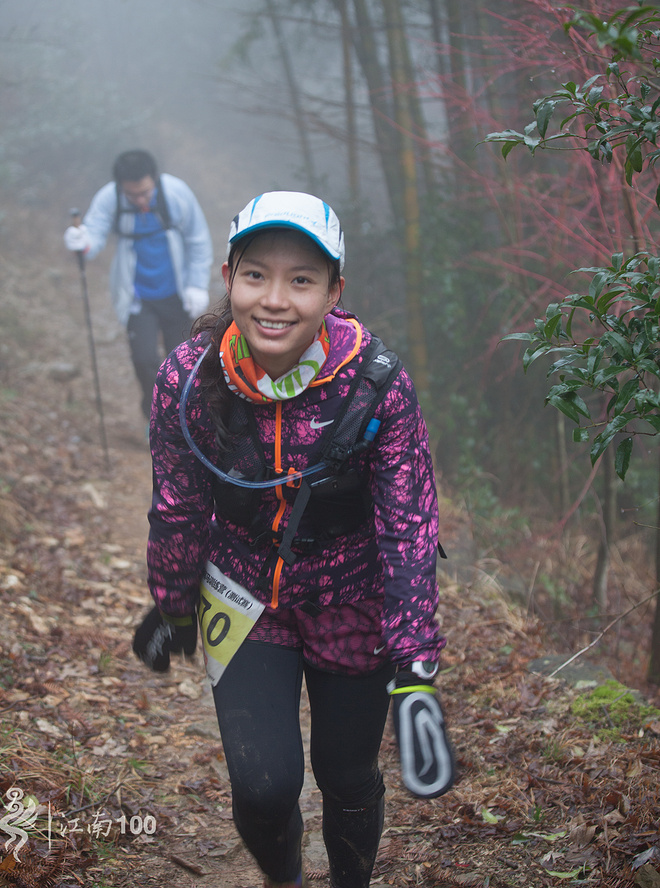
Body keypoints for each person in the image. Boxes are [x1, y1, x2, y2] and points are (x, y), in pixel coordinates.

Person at [132, 191, 448, 888]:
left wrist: (416, 660)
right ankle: (285, 877)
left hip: (353, 601)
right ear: (228, 279)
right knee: (265, 787)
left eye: (301, 279)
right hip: (244, 596)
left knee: (347, 775)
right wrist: (173, 603)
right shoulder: (187, 379)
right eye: (256, 276)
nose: (274, 300)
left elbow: (409, 525)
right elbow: (178, 505)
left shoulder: (377, 386)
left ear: (335, 291)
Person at [64, 149, 213, 421]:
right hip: (137, 296)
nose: (140, 199)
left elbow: (198, 239)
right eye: (133, 195)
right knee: (144, 360)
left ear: (154, 178)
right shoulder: (110, 198)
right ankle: (154, 416)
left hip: (177, 294)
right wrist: (80, 242)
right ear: (121, 187)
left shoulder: (176, 192)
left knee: (182, 363)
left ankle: (186, 420)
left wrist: (197, 285)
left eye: (145, 192)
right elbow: (93, 234)